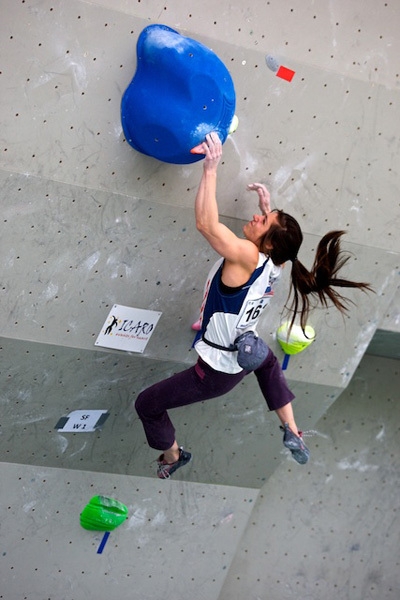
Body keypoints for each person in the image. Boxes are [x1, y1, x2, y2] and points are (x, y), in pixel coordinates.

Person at [135, 132, 371, 479]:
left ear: (270, 243)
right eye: (265, 215)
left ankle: (174, 456)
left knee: (147, 404)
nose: (257, 218)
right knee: (267, 361)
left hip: (218, 372)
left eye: (263, 222)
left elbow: (205, 224)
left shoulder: (248, 255)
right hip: (248, 350)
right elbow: (278, 246)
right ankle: (292, 428)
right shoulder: (277, 264)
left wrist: (211, 169)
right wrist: (267, 209)